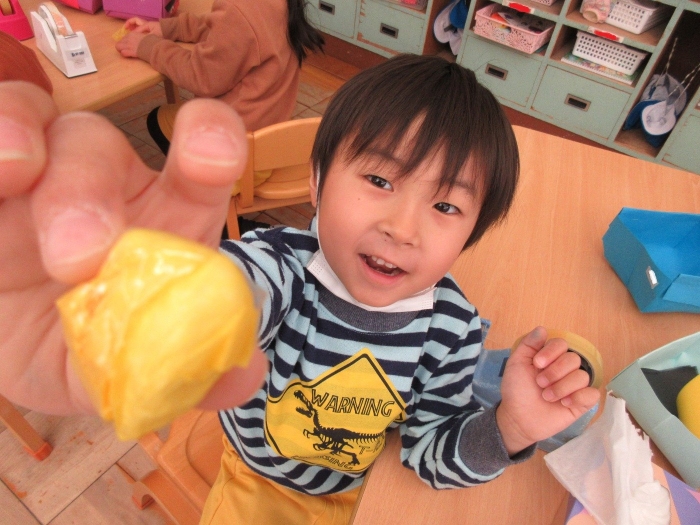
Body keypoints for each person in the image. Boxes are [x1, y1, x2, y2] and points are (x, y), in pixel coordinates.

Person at [0, 55, 599, 525]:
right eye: (379, 179)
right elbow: (237, 292)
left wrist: (511, 426)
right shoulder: (283, 267)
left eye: (445, 206)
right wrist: (155, 298)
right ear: (316, 181)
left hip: (363, 491)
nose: (403, 228)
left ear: (472, 233)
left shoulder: (453, 329)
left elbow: (428, 456)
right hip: (257, 483)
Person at [115, 0, 324, 155]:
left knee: (158, 120)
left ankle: (210, 193)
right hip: (270, 136)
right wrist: (169, 28)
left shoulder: (238, 10)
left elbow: (201, 77)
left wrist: (148, 47)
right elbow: (226, 32)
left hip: (238, 151)